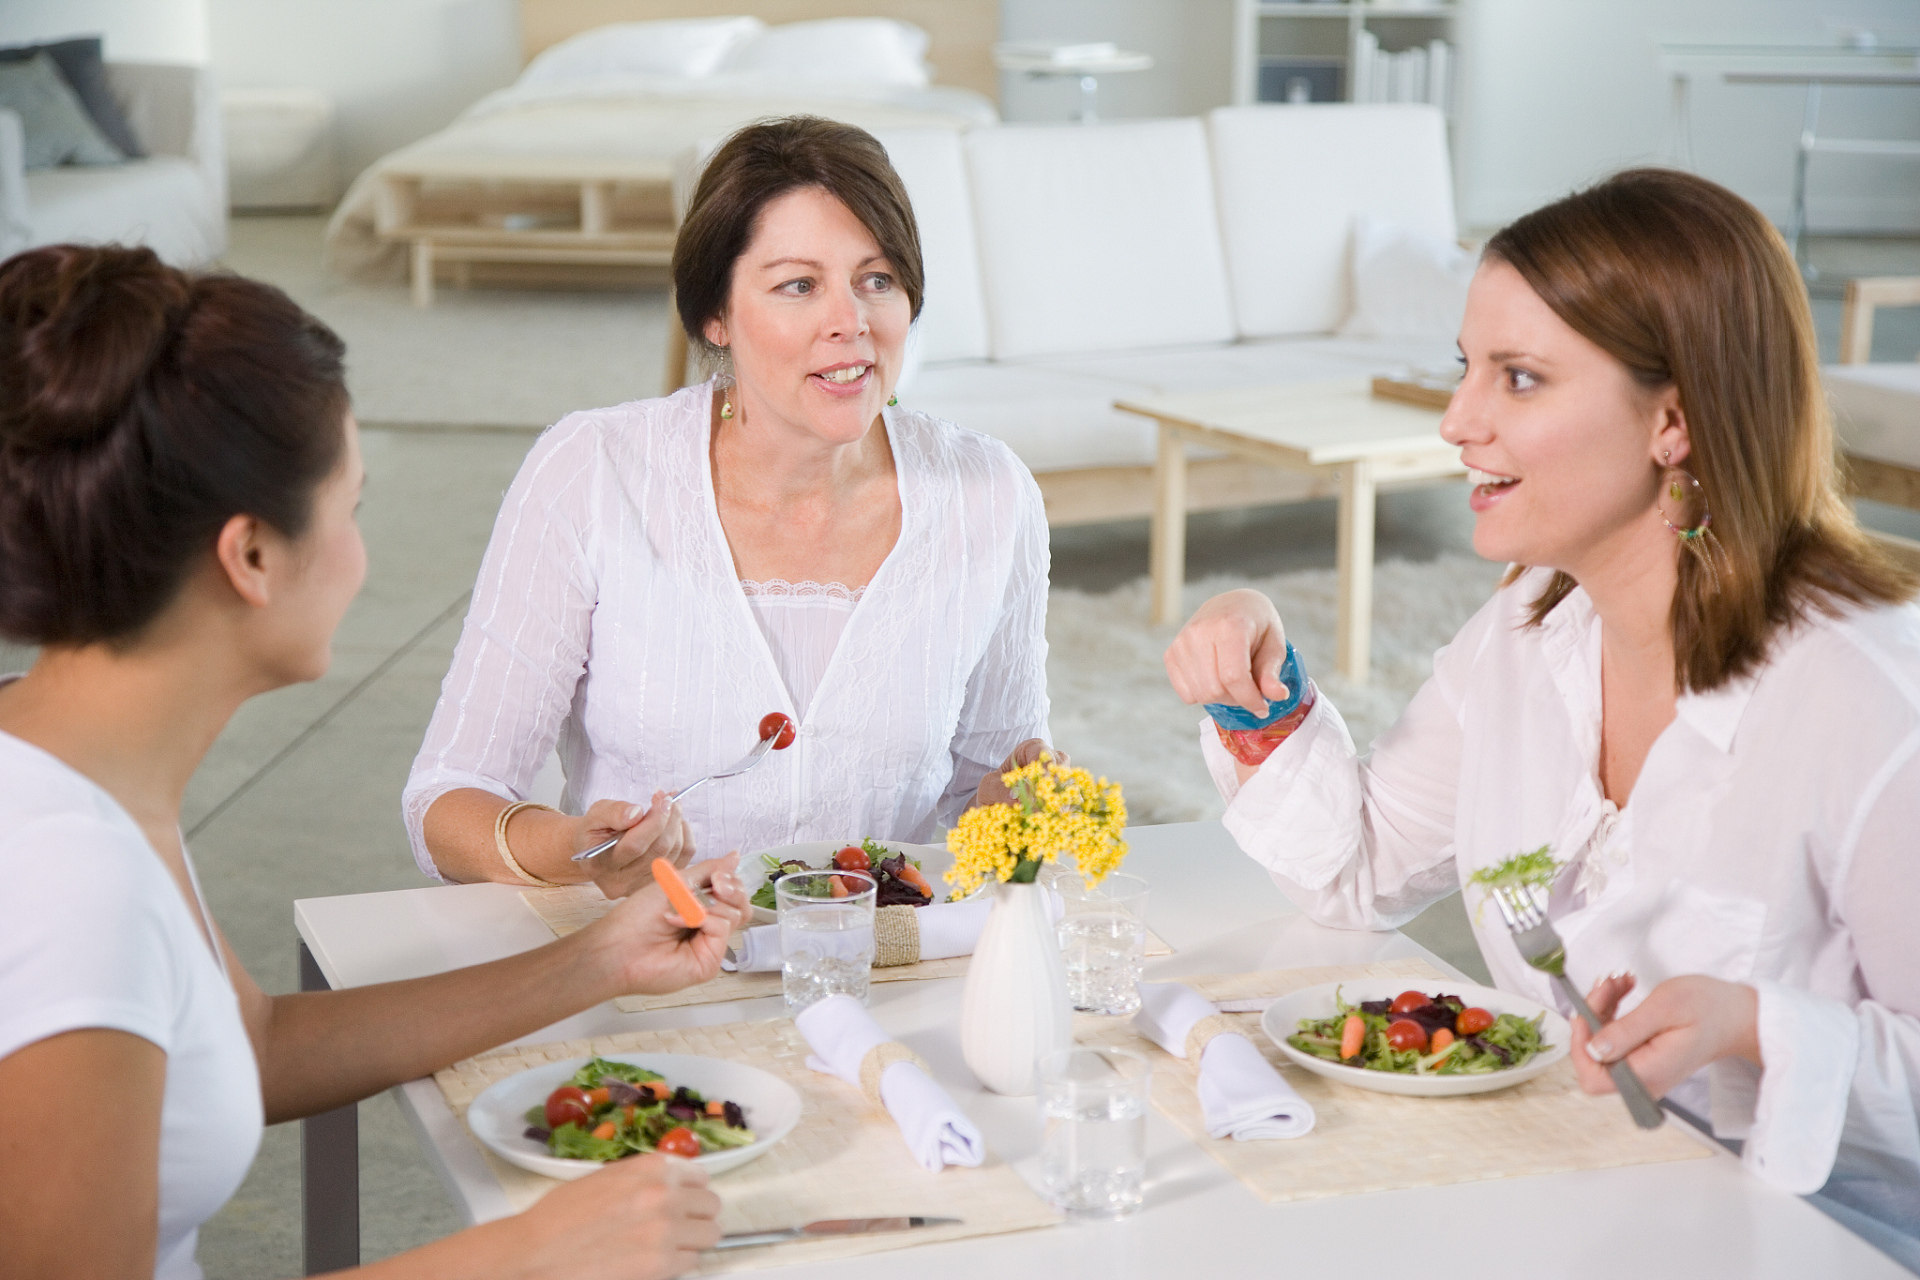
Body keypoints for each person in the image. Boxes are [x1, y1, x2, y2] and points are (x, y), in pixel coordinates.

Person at [1164, 169, 1920, 1262]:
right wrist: (1260, 682)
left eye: (1518, 378)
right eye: (1465, 368)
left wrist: (1763, 1028)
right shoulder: (1527, 624)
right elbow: (1361, 868)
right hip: (1572, 1200)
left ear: (1675, 419)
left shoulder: (1867, 697)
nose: (1457, 420)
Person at [0, 244, 750, 1280]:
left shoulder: (75, 765)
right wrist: (525, 1254)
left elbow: (245, 1046)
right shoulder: (67, 878)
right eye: (351, 506)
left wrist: (595, 958)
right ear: (252, 554)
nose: (362, 552)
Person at [404, 116, 1056, 898]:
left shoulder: (990, 494)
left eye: (877, 279)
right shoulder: (592, 472)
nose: (850, 321)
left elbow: (991, 788)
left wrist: (1014, 813)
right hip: (651, 976)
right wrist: (574, 845)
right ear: (716, 314)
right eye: (798, 286)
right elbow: (445, 801)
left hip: (892, 973)